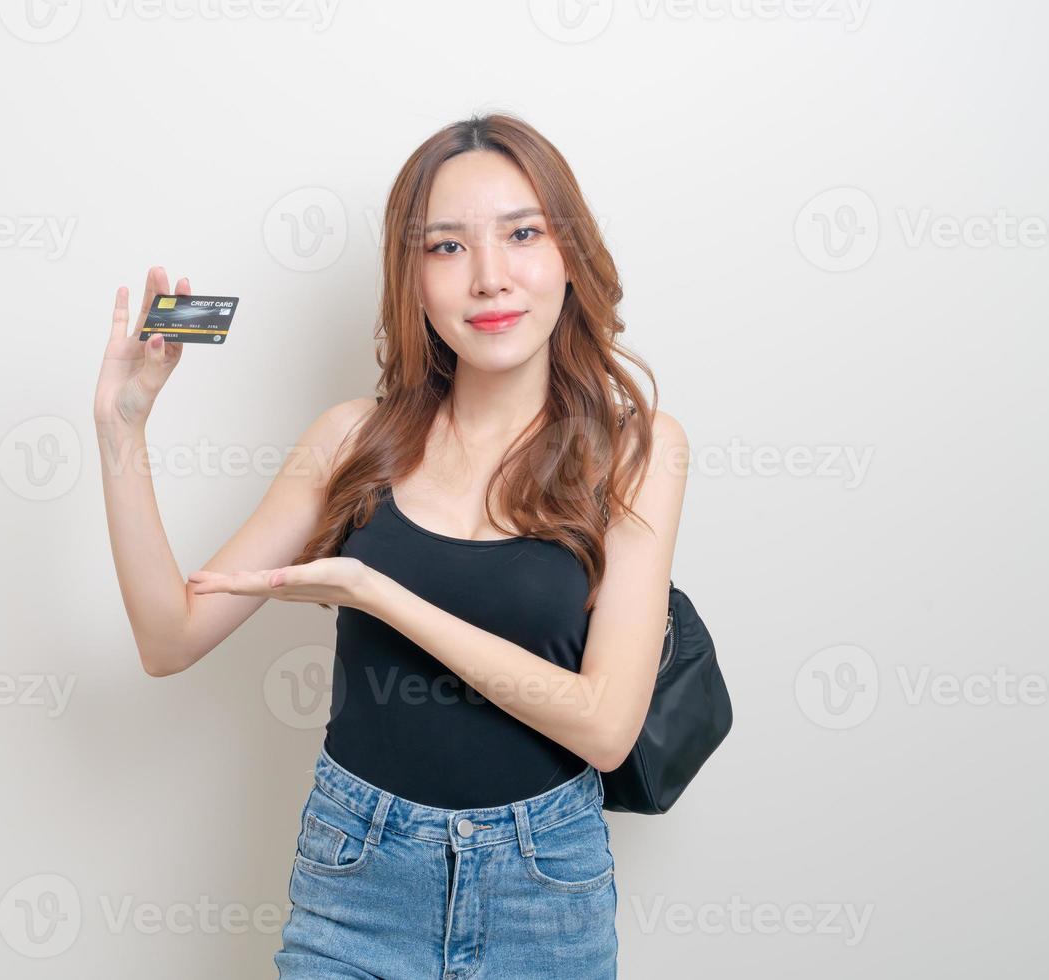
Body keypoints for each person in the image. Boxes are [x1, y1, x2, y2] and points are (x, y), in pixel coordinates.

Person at [93, 111, 688, 978]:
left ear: (569, 252)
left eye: (522, 234)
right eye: (446, 247)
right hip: (357, 881)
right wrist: (123, 430)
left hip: (545, 893)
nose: (490, 278)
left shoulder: (638, 451)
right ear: (411, 280)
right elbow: (168, 636)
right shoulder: (350, 441)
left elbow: (604, 726)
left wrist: (378, 593)